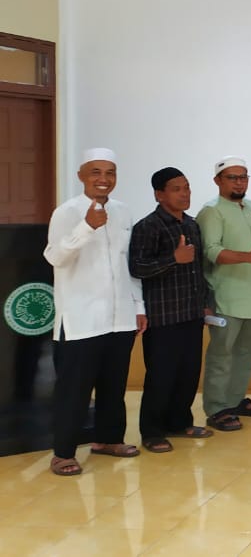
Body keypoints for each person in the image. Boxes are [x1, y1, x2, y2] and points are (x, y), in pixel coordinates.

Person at [45, 148, 145, 475]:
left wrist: (138, 306)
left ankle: (108, 439)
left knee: (114, 386)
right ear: (81, 176)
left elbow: (127, 265)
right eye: (96, 172)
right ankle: (63, 453)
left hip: (119, 318)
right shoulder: (66, 212)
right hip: (80, 320)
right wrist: (86, 227)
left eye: (110, 173)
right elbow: (55, 257)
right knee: (74, 390)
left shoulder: (123, 212)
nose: (104, 179)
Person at [129, 166, 214, 453]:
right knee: (161, 375)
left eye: (187, 187)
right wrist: (173, 258)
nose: (185, 193)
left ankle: (179, 422)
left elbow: (198, 269)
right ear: (159, 194)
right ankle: (152, 431)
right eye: (177, 189)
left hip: (191, 313)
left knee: (188, 372)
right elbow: (138, 267)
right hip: (163, 316)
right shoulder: (148, 226)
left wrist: (204, 304)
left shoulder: (191, 225)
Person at [197, 156, 251, 432]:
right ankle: (217, 408)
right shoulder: (211, 211)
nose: (239, 182)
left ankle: (235, 399)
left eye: (243, 177)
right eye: (233, 177)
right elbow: (210, 251)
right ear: (218, 180)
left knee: (247, 351)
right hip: (225, 296)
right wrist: (247, 258)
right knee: (222, 353)